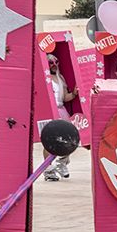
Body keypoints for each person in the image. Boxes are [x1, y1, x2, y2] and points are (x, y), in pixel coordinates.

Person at [43, 53, 79, 181]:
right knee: (49, 141)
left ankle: (62, 163)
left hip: (61, 111)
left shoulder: (60, 78)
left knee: (70, 138)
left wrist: (74, 94)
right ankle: (48, 170)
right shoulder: (43, 78)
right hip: (49, 111)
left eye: (56, 62)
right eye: (51, 63)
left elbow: (64, 98)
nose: (54, 65)